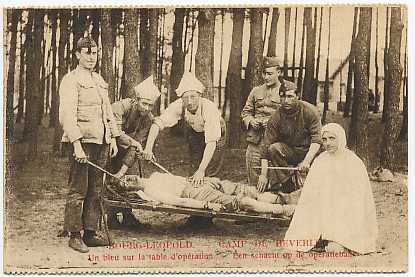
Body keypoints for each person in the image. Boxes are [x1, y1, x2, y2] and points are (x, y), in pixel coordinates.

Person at [59, 37, 120, 253]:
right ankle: (74, 235)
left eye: (94, 53)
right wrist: (76, 145)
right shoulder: (70, 80)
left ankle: (90, 232)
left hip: (101, 142)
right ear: (77, 54)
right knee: (79, 189)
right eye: (86, 52)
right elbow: (67, 115)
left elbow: (108, 113)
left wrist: (112, 138)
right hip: (83, 143)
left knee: (96, 189)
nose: (91, 57)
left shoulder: (99, 80)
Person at [284, 123, 378, 255]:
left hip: (347, 211)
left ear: (341, 138)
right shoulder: (320, 160)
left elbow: (358, 197)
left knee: (336, 248)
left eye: (332, 138)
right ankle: (323, 235)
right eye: (324, 139)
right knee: (302, 238)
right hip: (325, 207)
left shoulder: (353, 162)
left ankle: (340, 239)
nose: (327, 143)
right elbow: (311, 192)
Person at [143, 72, 226, 186]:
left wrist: (201, 171)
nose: (189, 101)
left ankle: (212, 194)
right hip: (196, 132)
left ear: (200, 96)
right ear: (181, 98)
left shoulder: (209, 109)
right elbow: (157, 123)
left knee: (211, 168)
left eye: (193, 97)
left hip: (216, 135)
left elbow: (211, 142)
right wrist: (148, 148)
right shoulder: (178, 105)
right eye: (186, 98)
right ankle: (194, 190)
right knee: (194, 167)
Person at [107, 75, 161, 228]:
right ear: (136, 99)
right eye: (144, 103)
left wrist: (122, 171)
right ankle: (110, 217)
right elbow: (115, 132)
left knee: (120, 180)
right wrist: (133, 143)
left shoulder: (148, 119)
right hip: (107, 143)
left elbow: (137, 144)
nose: (146, 108)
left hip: (123, 146)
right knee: (107, 180)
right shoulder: (120, 106)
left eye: (150, 105)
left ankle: (126, 215)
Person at [113, 173, 298, 217]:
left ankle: (290, 198)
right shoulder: (150, 192)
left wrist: (201, 178)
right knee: (239, 202)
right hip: (195, 193)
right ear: (130, 190)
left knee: (245, 189)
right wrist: (207, 206)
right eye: (126, 183)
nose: (129, 179)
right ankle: (284, 209)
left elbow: (177, 178)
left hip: (196, 182)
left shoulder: (154, 175)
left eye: (126, 177)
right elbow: (180, 201)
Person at [258, 80, 322, 193]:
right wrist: (263, 175)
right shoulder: (276, 116)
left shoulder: (310, 111)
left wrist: (306, 161)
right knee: (273, 149)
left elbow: (317, 140)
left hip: (310, 151)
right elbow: (265, 147)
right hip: (290, 152)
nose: (286, 101)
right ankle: (288, 182)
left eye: (290, 96)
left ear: (298, 96)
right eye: (282, 97)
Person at [241, 56, 285, 186]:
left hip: (275, 142)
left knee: (273, 176)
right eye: (264, 73)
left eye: (270, 74)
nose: (266, 77)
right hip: (255, 140)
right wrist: (250, 121)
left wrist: (273, 123)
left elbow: (290, 117)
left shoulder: (285, 91)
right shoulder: (256, 91)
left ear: (279, 72)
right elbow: (245, 112)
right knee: (253, 174)